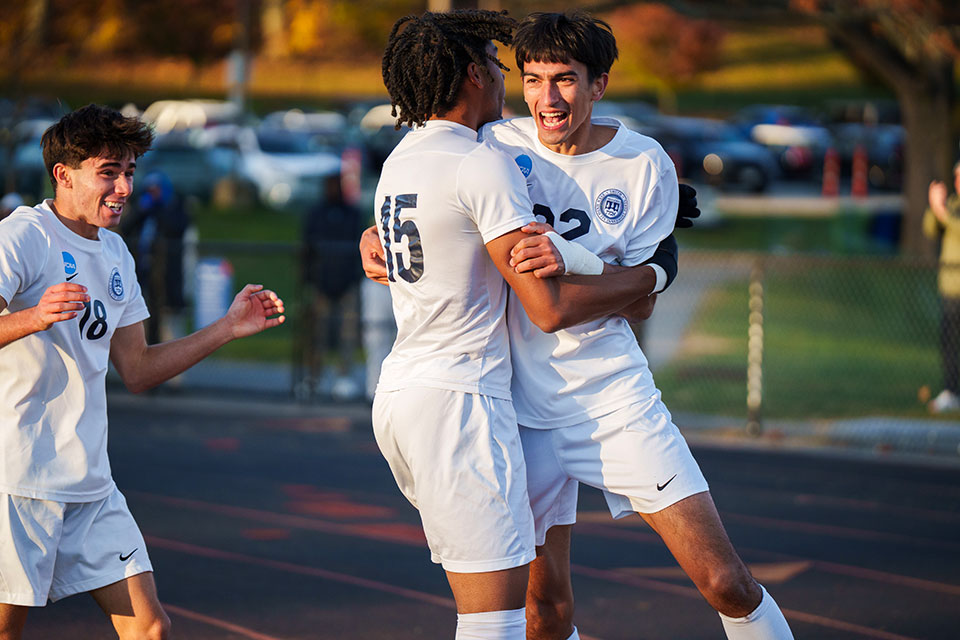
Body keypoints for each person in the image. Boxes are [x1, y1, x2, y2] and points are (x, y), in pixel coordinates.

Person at [363, 10, 793, 640]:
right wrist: (372, 238)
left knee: (725, 582)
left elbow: (641, 301)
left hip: (611, 398)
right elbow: (433, 200)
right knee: (542, 611)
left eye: (564, 79)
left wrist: (615, 263)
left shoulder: (644, 164)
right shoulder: (493, 143)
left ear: (599, 84)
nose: (546, 97)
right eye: (532, 78)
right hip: (516, 416)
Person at [370, 11, 668, 639]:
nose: (513, 87)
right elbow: (548, 308)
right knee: (494, 623)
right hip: (462, 404)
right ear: (475, 74)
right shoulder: (482, 163)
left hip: (401, 393)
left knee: (531, 609)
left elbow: (393, 241)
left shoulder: (401, 158)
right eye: (505, 70)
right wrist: (649, 276)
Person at [0, 104, 285, 640]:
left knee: (150, 628)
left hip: (90, 483)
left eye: (129, 171)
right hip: (16, 478)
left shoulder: (115, 253)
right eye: (108, 172)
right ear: (63, 174)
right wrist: (33, 317)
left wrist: (226, 328)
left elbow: (138, 368)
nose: (124, 187)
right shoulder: (23, 235)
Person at [924, 160, 960, 413]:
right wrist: (935, 205)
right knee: (949, 343)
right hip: (949, 287)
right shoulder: (953, 205)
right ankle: (951, 391)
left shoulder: (950, 212)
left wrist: (940, 211)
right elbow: (931, 228)